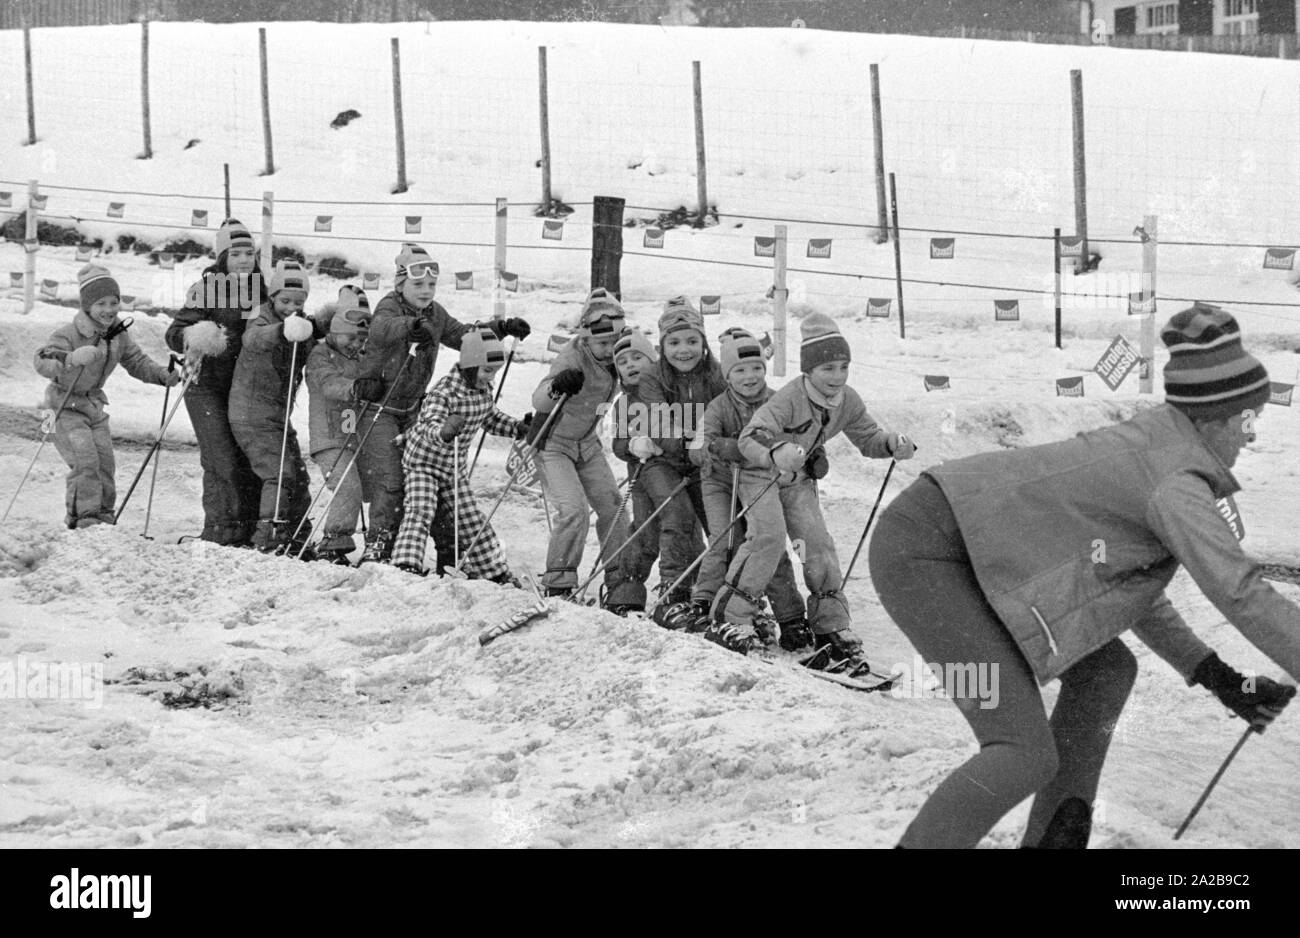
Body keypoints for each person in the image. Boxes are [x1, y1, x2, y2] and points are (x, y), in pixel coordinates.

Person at [868, 304, 1298, 849]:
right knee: (1020, 751)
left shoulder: (1158, 451)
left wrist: (1215, 675)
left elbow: (1123, 588)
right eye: (1247, 419)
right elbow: (1238, 590)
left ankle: (1055, 839)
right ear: (1213, 416)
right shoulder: (1175, 482)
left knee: (1106, 669)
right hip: (926, 553)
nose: (1251, 436)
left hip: (966, 551)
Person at [712, 313, 914, 662]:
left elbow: (867, 437)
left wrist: (891, 443)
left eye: (843, 367)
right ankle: (732, 618)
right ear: (808, 370)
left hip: (798, 480)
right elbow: (750, 436)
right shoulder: (790, 398)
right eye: (827, 368)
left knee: (815, 544)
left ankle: (829, 623)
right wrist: (776, 451)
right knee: (768, 538)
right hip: (760, 475)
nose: (837, 376)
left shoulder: (847, 400)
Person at [351, 243, 530, 564]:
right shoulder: (389, 306)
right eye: (418, 284)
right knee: (391, 480)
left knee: (425, 482)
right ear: (400, 284)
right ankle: (379, 543)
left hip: (414, 408)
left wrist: (500, 328)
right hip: (380, 408)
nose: (426, 291)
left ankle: (446, 550)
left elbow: (464, 336)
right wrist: (411, 327)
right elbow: (381, 329)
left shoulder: (435, 313)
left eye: (431, 284)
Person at [670, 329, 810, 647]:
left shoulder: (777, 401)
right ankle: (705, 600)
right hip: (720, 480)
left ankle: (790, 616)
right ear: (727, 376)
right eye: (740, 370)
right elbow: (697, 446)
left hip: (760, 479)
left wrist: (810, 455)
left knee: (768, 542)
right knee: (725, 539)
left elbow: (799, 435)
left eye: (756, 368)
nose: (750, 376)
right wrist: (716, 447)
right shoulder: (719, 406)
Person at [34, 264, 179, 528]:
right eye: (101, 303)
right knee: (85, 462)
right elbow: (42, 359)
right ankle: (83, 519)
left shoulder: (117, 335)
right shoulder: (68, 333)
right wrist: (70, 358)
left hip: (93, 406)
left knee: (104, 463)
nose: (109, 309)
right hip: (59, 408)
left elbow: (136, 361)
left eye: (114, 302)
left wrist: (162, 375)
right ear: (87, 305)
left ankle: (103, 517)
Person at [390, 327, 530, 580]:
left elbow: (490, 418)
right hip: (423, 463)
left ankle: (495, 571)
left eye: (495, 372)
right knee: (421, 509)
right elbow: (428, 422)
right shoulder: (444, 391)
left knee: (471, 519)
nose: (490, 377)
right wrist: (443, 431)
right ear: (469, 365)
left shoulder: (482, 391)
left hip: (453, 468)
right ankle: (406, 564)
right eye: (487, 370)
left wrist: (517, 427)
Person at [164, 218, 266, 546]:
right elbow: (174, 333)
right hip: (204, 385)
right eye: (235, 254)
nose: (244, 260)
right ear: (222, 257)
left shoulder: (260, 290)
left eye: (249, 253)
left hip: (242, 387)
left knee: (247, 457)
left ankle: (247, 529)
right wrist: (197, 334)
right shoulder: (207, 288)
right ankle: (220, 530)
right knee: (220, 457)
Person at [531, 288, 632, 602]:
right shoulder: (572, 356)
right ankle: (559, 582)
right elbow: (539, 398)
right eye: (603, 343)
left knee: (614, 507)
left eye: (615, 340)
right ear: (586, 339)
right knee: (574, 510)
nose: (610, 349)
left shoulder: (620, 354)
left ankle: (620, 581)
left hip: (586, 443)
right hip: (553, 444)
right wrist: (557, 387)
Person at [630, 297, 726, 610]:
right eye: (674, 342)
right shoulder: (653, 376)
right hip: (662, 460)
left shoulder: (716, 375)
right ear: (662, 345)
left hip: (704, 461)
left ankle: (725, 593)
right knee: (677, 514)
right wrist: (688, 443)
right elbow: (657, 420)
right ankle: (674, 591)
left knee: (721, 523)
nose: (683, 350)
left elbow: (731, 411)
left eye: (692, 341)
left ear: (704, 342)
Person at [229, 260, 322, 553]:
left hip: (277, 415)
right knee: (279, 473)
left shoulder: (301, 324)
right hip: (251, 413)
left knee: (299, 476)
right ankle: (269, 538)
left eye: (298, 302)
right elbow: (253, 338)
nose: (291, 307)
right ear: (272, 297)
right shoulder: (260, 316)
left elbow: (313, 349)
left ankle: (298, 536)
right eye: (284, 301)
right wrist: (282, 330)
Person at [305, 289, 372, 564]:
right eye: (350, 337)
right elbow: (328, 384)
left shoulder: (358, 358)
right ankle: (333, 542)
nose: (356, 344)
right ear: (334, 331)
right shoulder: (320, 354)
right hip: (328, 438)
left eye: (361, 339)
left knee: (361, 486)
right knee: (347, 486)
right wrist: (356, 387)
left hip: (350, 437)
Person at [607, 326, 661, 615]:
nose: (630, 365)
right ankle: (625, 590)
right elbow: (617, 443)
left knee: (682, 531)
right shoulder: (624, 403)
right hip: (641, 477)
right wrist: (632, 444)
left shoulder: (668, 393)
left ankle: (684, 591)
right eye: (623, 362)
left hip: (677, 474)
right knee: (645, 532)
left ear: (653, 360)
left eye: (637, 357)